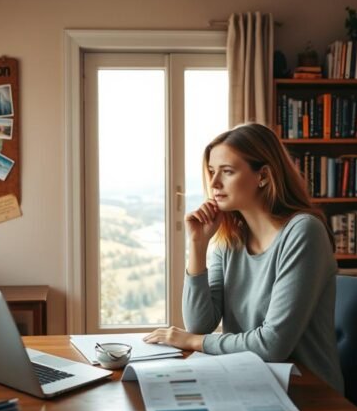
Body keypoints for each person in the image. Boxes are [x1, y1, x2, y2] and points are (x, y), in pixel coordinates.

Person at [143, 123, 344, 394]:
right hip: (251, 382)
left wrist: (192, 341)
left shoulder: (303, 232)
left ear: (263, 176)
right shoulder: (231, 239)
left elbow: (272, 345)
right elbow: (200, 324)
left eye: (227, 171)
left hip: (309, 392)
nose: (214, 183)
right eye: (212, 171)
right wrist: (198, 245)